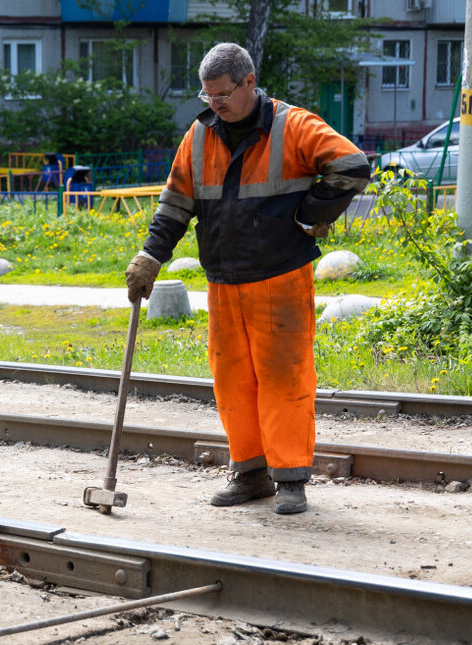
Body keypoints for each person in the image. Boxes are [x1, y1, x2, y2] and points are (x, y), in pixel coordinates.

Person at [124, 42, 369, 515]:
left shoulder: (292, 125)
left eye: (222, 94)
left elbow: (352, 166)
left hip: (280, 277)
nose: (214, 104)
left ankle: (292, 479)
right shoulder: (198, 138)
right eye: (207, 96)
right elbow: (175, 205)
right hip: (223, 280)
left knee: (284, 377)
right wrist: (150, 257)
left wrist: (309, 214)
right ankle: (251, 473)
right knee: (232, 380)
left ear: (249, 83)